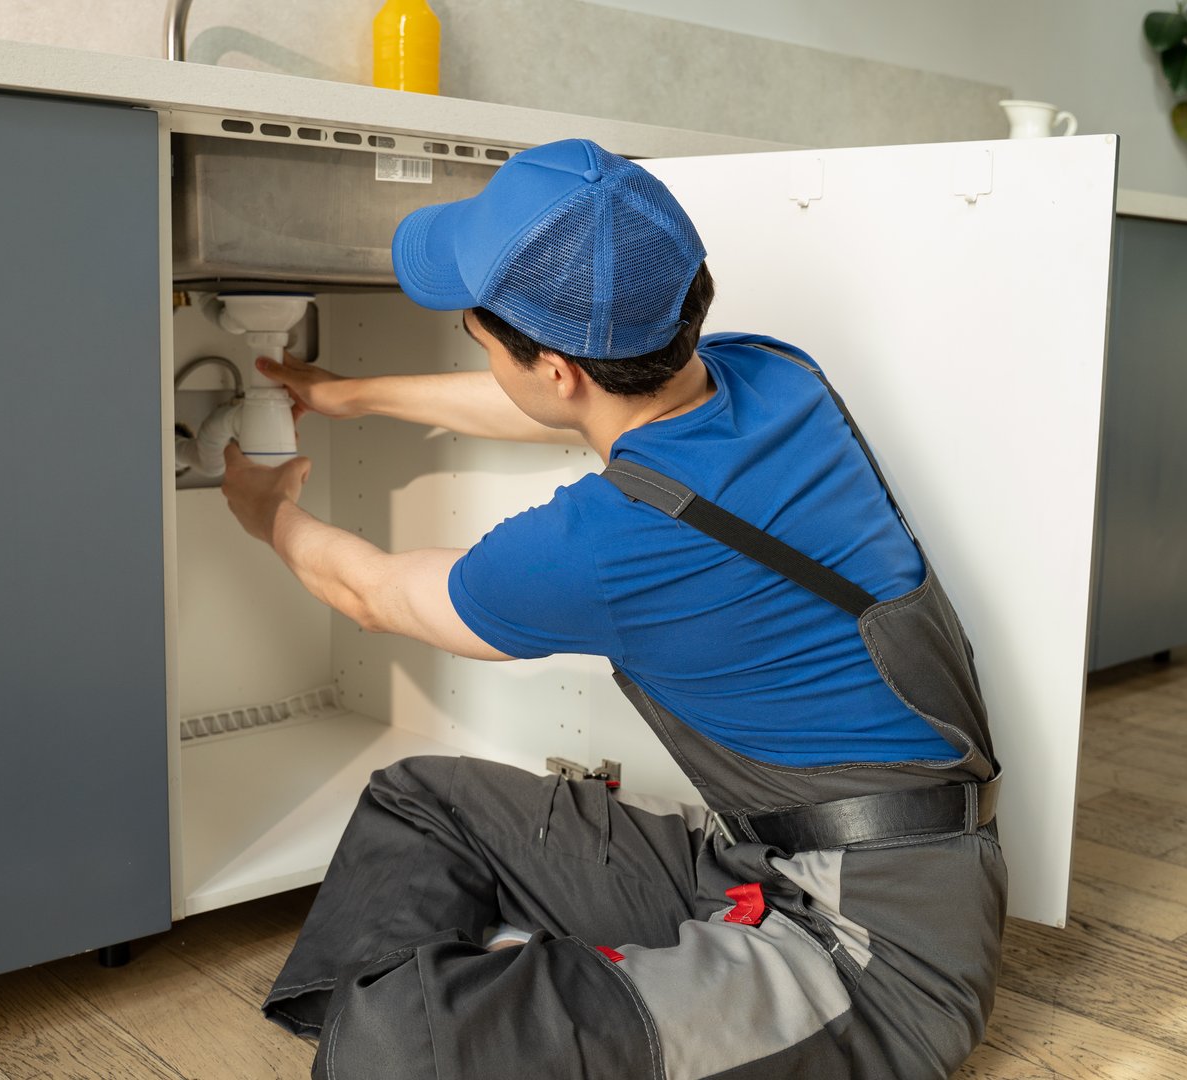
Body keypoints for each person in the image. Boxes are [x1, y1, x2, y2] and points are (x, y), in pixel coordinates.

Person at [218, 138, 1005, 1080]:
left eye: (478, 331)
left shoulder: (603, 545)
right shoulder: (772, 373)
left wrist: (269, 513)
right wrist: (352, 395)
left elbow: (372, 593)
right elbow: (564, 403)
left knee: (402, 1048)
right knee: (419, 803)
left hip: (875, 960)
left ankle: (440, 1032)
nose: (479, 344)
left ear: (556, 368)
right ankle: (461, 1026)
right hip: (770, 865)